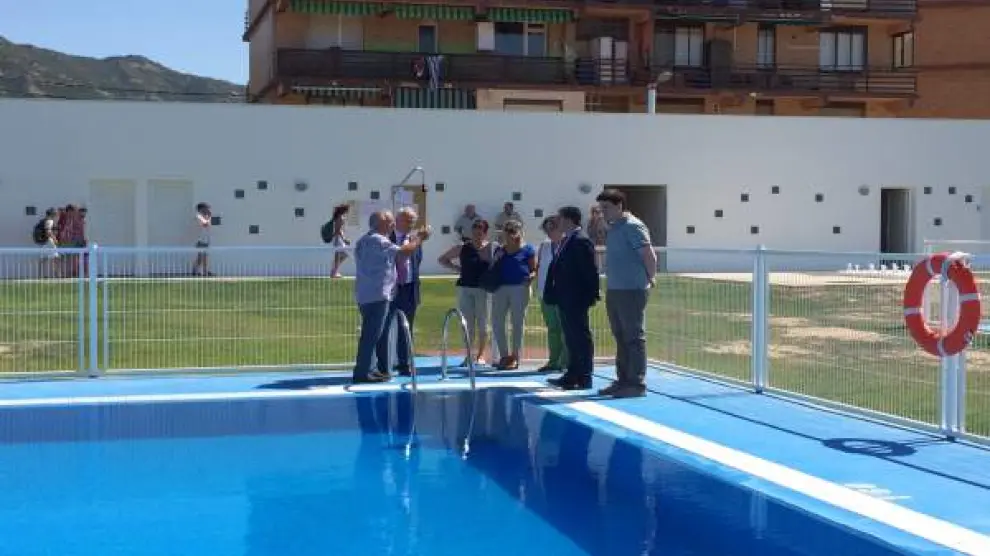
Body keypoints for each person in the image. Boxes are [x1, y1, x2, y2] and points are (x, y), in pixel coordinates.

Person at [352, 210, 428, 384]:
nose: (393, 225)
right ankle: (363, 372)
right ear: (381, 224)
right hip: (378, 295)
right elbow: (403, 253)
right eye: (390, 222)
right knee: (372, 335)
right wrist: (420, 238)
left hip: (366, 294)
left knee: (372, 334)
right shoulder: (379, 241)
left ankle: (371, 369)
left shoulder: (363, 240)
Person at [596, 189, 657, 398]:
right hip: (615, 289)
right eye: (601, 208)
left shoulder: (633, 226)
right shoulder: (614, 228)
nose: (603, 213)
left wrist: (650, 278)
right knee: (620, 336)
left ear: (619, 206)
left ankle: (636, 383)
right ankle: (623, 380)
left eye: (606, 208)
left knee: (633, 337)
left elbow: (648, 255)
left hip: (632, 290)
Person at [545, 206, 599, 391]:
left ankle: (584, 376)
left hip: (576, 298)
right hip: (565, 297)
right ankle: (572, 373)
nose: (557, 222)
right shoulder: (566, 240)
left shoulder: (580, 241)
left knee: (580, 336)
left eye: (560, 218)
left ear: (568, 219)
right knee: (570, 336)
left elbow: (589, 271)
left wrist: (590, 295)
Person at [438, 219, 493, 367]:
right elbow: (442, 259)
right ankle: (468, 355)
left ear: (485, 233)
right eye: (474, 233)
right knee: (467, 324)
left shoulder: (491, 248)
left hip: (483, 290)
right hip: (465, 288)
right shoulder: (462, 247)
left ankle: (481, 355)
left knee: (483, 323)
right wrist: (457, 269)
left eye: (480, 233)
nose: (477, 236)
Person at [490, 220, 536, 370]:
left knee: (517, 323)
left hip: (520, 288)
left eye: (513, 231)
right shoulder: (500, 250)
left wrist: (531, 277)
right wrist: (497, 258)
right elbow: (493, 268)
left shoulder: (528, 249)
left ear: (519, 232)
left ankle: (515, 357)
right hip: (500, 289)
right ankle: (504, 356)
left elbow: (533, 269)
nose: (510, 234)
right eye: (508, 231)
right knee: (497, 322)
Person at [390, 206, 429, 375]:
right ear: (398, 220)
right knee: (385, 326)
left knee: (406, 327)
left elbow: (416, 261)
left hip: (409, 288)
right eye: (408, 220)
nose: (411, 224)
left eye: (413, 221)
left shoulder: (414, 239)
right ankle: (383, 363)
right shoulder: (387, 238)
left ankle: (404, 363)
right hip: (391, 288)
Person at [536, 216, 567, 372]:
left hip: (564, 294)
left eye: (551, 228)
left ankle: (565, 362)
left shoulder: (568, 245)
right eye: (546, 229)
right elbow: (539, 268)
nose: (549, 232)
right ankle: (553, 360)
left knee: (565, 329)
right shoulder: (544, 246)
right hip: (546, 294)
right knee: (553, 329)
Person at [329, 203, 351, 278]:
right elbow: (338, 230)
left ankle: (334, 271)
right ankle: (334, 272)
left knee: (342, 255)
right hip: (337, 238)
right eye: (347, 210)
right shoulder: (340, 218)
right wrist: (344, 239)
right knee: (340, 255)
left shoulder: (339, 217)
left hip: (337, 238)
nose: (348, 212)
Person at [192, 202, 213, 277]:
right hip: (201, 240)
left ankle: (204, 272)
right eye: (206, 208)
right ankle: (197, 271)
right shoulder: (198, 216)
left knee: (205, 257)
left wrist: (208, 217)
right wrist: (209, 217)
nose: (207, 210)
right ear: (201, 209)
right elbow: (205, 224)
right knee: (201, 258)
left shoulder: (204, 217)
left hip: (205, 240)